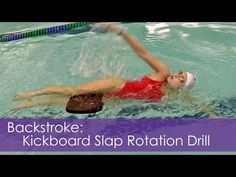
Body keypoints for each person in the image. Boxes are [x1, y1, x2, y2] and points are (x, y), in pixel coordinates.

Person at [12, 23, 217, 117]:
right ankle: (32, 93)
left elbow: (198, 103)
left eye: (181, 79)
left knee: (65, 103)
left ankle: (28, 105)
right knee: (71, 91)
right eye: (180, 73)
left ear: (181, 88)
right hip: (114, 85)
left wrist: (214, 117)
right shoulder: (162, 72)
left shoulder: (173, 96)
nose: (177, 75)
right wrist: (121, 33)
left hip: (116, 99)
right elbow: (144, 54)